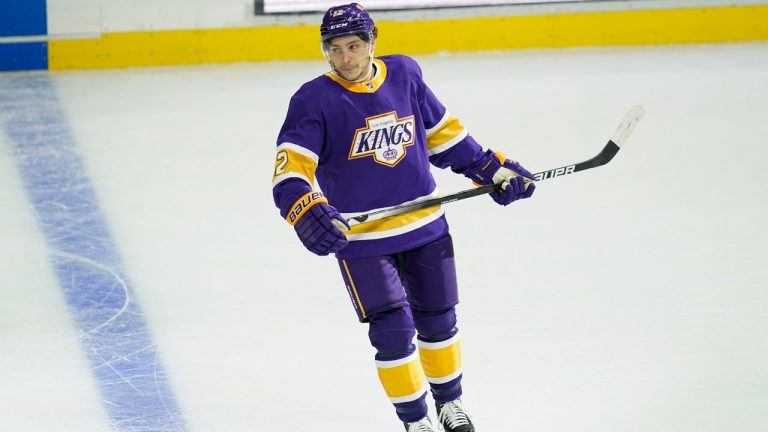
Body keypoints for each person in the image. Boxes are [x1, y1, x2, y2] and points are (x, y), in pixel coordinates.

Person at [271, 3, 535, 431]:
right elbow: (290, 173)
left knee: (439, 318)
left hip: (426, 226)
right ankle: (416, 422)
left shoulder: (405, 74)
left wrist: (490, 168)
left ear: (373, 42)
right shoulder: (313, 100)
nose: (346, 58)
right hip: (362, 240)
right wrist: (306, 210)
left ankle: (450, 404)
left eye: (354, 46)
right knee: (392, 331)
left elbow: (444, 136)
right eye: (334, 49)